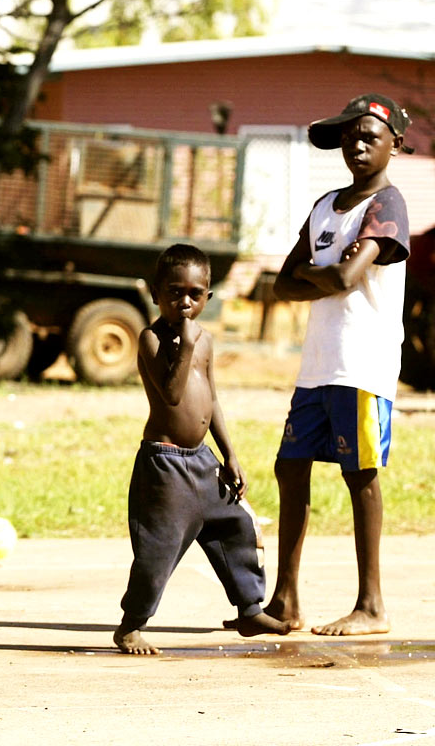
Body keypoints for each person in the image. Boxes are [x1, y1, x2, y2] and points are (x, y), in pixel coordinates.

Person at [263, 93, 411, 636]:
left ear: (395, 143)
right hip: (317, 365)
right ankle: (285, 601)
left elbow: (348, 280)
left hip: (362, 365)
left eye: (370, 134)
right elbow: (282, 283)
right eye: (350, 134)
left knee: (360, 474)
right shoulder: (328, 205)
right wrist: (326, 275)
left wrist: (319, 276)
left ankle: (371, 605)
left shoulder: (388, 205)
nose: (357, 142)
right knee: (288, 465)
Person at [114, 245, 292, 655]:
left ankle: (249, 609)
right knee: (159, 549)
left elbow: (210, 399)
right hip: (165, 465)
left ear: (208, 297)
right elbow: (173, 396)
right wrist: (186, 345)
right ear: (156, 293)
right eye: (175, 293)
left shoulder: (206, 340)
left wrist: (229, 453)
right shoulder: (151, 339)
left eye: (196, 294)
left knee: (237, 528)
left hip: (202, 460)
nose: (185, 302)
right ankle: (131, 625)